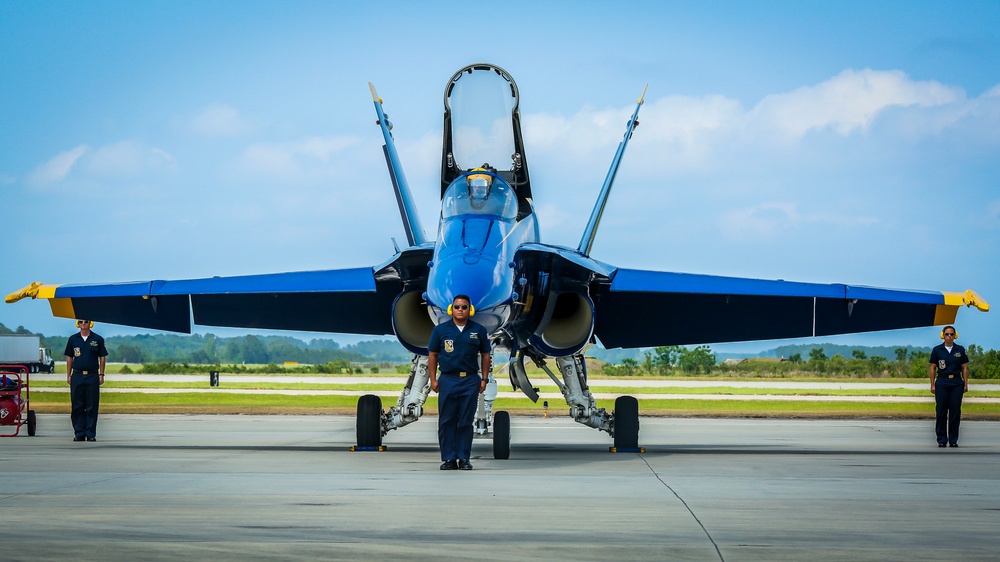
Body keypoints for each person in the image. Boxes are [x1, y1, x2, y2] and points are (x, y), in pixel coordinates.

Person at [427, 294, 491, 470]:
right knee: (446, 420)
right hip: (448, 379)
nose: (460, 310)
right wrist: (433, 379)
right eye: (457, 307)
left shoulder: (478, 330)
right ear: (451, 309)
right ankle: (448, 459)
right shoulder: (440, 330)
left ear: (469, 309)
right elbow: (432, 355)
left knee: (465, 421)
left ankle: (464, 458)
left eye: (464, 307)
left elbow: (486, 355)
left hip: (470, 380)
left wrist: (484, 379)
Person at [65, 319, 108, 442]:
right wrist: (68, 375)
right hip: (77, 375)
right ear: (77, 324)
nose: (83, 324)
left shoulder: (97, 339)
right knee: (77, 405)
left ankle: (90, 433)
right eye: (81, 322)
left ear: (90, 323)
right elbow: (69, 358)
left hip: (92, 376)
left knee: (91, 406)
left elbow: (102, 357)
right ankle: (79, 433)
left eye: (86, 321)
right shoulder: (73, 339)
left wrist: (102, 374)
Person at [929, 325, 969, 448]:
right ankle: (941, 439)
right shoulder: (937, 350)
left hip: (956, 382)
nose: (949, 336)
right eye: (947, 334)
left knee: (955, 412)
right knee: (941, 411)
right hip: (942, 382)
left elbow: (964, 367)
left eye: (951, 334)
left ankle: (953, 439)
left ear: (955, 336)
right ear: (943, 335)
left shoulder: (960, 350)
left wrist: (966, 383)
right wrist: (932, 384)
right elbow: (932, 367)